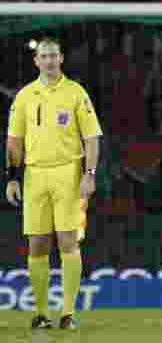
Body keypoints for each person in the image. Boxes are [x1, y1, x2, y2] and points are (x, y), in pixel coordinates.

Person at [5, 37, 102, 331]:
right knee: (37, 245)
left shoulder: (76, 93)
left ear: (61, 59)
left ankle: (68, 313)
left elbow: (92, 138)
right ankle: (41, 313)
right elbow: (14, 141)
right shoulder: (24, 96)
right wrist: (11, 177)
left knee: (68, 241)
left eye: (53, 55)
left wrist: (90, 173)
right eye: (43, 56)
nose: (48, 60)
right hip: (34, 175)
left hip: (68, 174)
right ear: (36, 61)